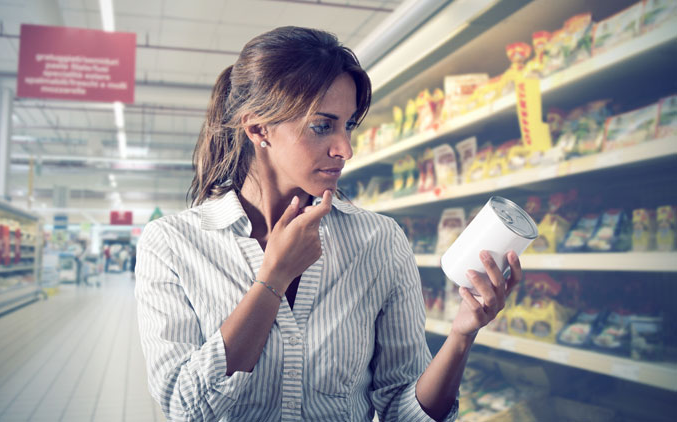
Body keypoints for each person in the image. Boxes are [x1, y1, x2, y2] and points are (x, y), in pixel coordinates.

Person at [135, 26, 523, 422]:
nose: (346, 149)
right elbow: (186, 408)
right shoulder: (172, 244)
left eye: (349, 125)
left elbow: (402, 411)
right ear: (257, 128)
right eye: (323, 126)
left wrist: (461, 334)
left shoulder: (380, 242)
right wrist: (273, 279)